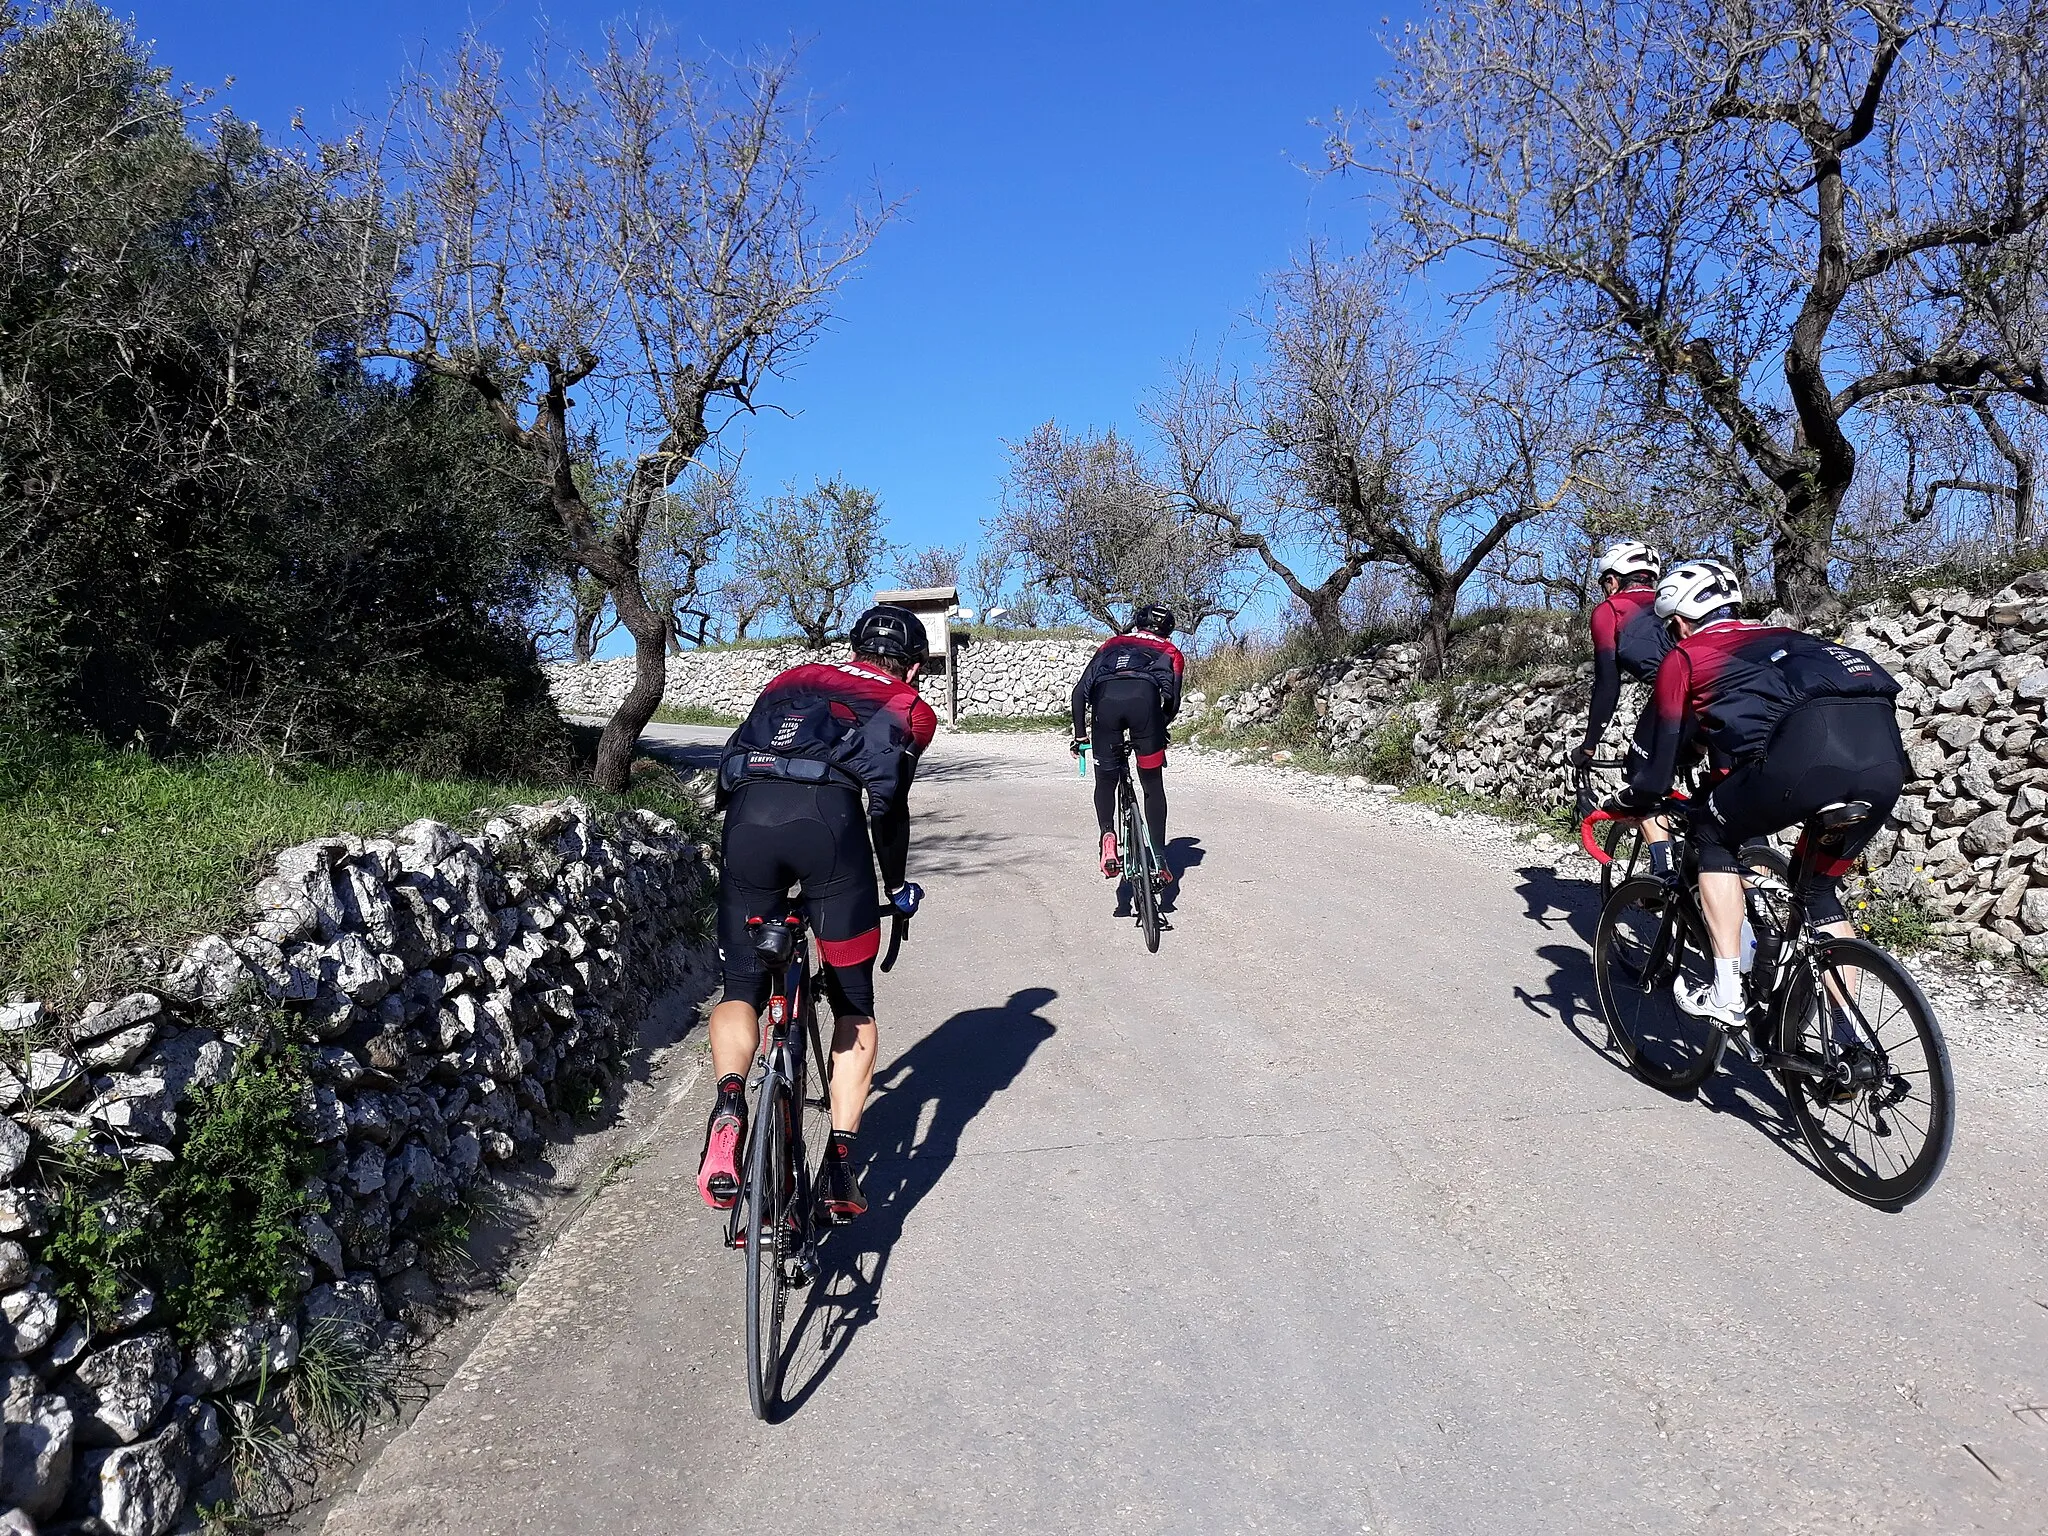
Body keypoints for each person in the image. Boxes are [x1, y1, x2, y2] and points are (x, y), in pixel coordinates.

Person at [696, 603, 938, 1224]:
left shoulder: (791, 679)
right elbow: (887, 807)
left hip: (748, 822)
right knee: (854, 1003)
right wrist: (897, 884)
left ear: (853, 649)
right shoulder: (911, 708)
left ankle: (729, 1105)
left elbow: (729, 768)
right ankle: (837, 1160)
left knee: (742, 988)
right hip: (829, 833)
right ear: (912, 666)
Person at [1611, 558, 1906, 1026]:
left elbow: (1658, 760)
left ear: (1679, 622)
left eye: (1671, 629)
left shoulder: (1686, 655)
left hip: (1804, 763)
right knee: (1818, 892)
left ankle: (1727, 992)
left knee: (1710, 834)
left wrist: (1631, 800)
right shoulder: (1790, 637)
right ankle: (1849, 1036)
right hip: (1884, 763)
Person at [1572, 539, 1677, 873]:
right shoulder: (1675, 608)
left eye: (1605, 583)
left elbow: (1607, 685)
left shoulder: (1611, 610)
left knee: (1642, 778)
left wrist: (1589, 746)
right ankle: (1757, 893)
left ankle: (1664, 872)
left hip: (1676, 699)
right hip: (1722, 695)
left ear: (1613, 581)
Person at [1070, 604, 1185, 882]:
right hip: (1145, 706)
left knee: (1106, 780)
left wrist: (1080, 736)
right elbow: (1172, 702)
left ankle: (1107, 837)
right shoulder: (1172, 652)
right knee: (1152, 783)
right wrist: (1160, 727)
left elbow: (1078, 693)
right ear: (1168, 630)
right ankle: (1158, 857)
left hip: (1105, 706)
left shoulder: (1112, 643)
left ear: (1137, 623)